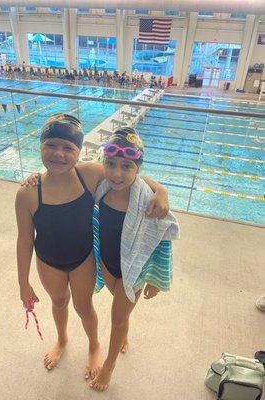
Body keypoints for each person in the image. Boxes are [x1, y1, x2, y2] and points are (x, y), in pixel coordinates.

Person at [16, 114, 170, 378]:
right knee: (59, 302)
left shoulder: (89, 174)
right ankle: (62, 340)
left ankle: (94, 345)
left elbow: (133, 177)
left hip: (83, 259)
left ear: (79, 152)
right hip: (47, 261)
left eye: (68, 148)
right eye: (51, 145)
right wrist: (23, 283)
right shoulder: (28, 192)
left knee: (83, 307)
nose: (59, 154)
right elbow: (25, 240)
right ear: (40, 145)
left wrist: (162, 191)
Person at [90, 128, 180, 391]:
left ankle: (109, 367)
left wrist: (154, 277)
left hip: (135, 270)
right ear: (103, 163)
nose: (117, 173)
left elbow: (161, 239)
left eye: (127, 166)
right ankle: (124, 333)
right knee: (122, 314)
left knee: (116, 318)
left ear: (137, 168)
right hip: (108, 264)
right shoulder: (102, 187)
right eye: (110, 164)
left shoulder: (149, 202)